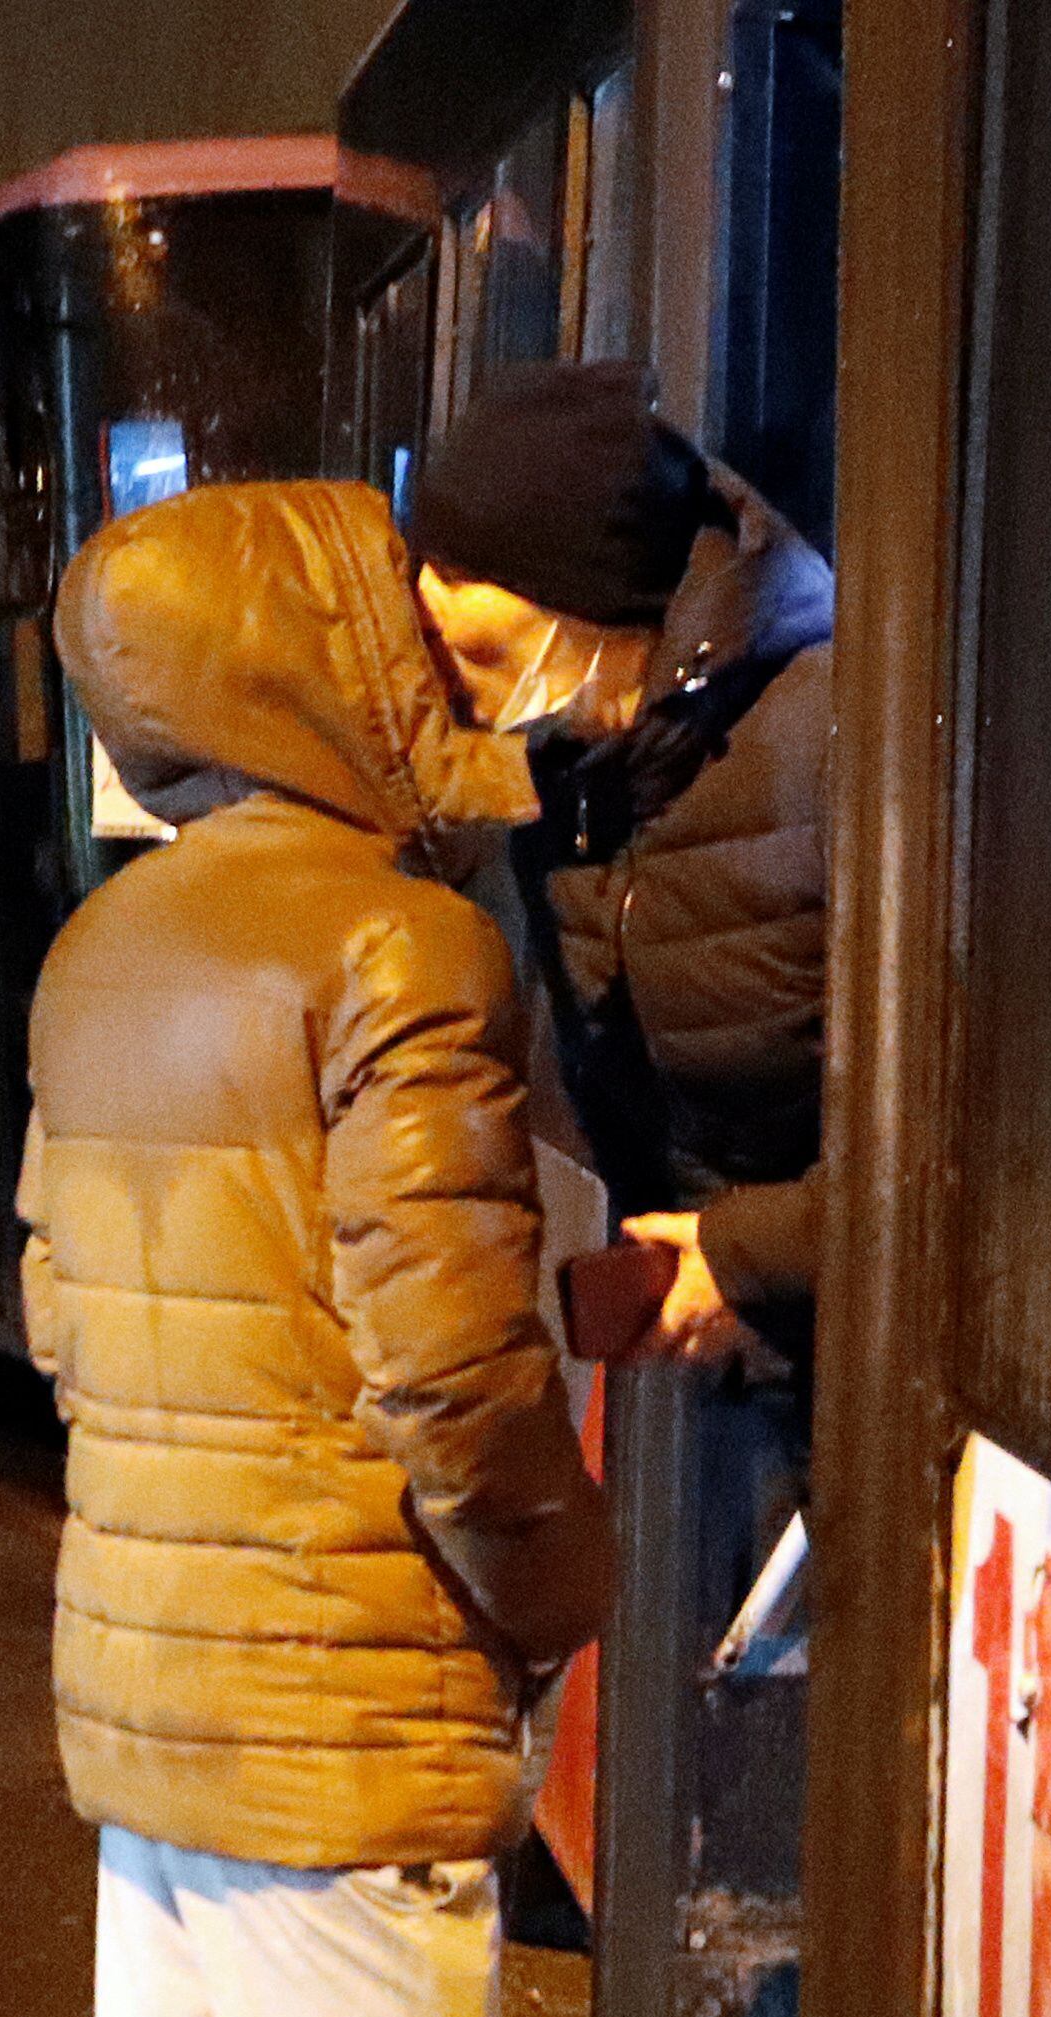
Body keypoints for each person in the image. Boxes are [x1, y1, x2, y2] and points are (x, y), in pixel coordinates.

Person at [17, 479, 613, 2017]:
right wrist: (562, 1589)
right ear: (312, 657)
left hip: (138, 1678)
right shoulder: (399, 949)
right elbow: (457, 1374)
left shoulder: (100, 945)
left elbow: (57, 1313)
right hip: (327, 1675)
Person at [402, 362, 837, 1372]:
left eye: (481, 652)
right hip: (744, 1352)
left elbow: (994, 1146)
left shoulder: (844, 745)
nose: (463, 697)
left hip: (879, 1367)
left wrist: (747, 1256)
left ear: (589, 596)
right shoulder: (578, 782)